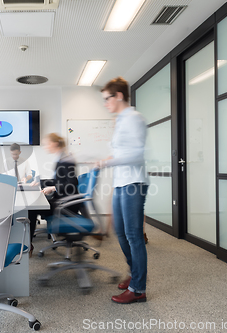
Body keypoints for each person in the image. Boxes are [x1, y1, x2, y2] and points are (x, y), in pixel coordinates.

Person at [95, 77, 149, 304]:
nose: (105, 103)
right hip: (121, 182)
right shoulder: (121, 120)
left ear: (118, 96)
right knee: (121, 232)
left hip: (133, 182)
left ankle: (138, 289)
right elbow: (122, 152)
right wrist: (109, 159)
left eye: (107, 99)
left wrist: (109, 162)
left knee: (134, 235)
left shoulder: (134, 118)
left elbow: (137, 154)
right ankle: (134, 272)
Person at [27, 133, 79, 256]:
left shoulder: (66, 160)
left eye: (47, 144)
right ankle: (28, 243)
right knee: (33, 208)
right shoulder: (61, 158)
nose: (45, 147)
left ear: (55, 144)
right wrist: (41, 182)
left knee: (32, 209)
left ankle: (28, 245)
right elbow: (59, 180)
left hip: (66, 205)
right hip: (62, 200)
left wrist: (53, 188)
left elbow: (72, 183)